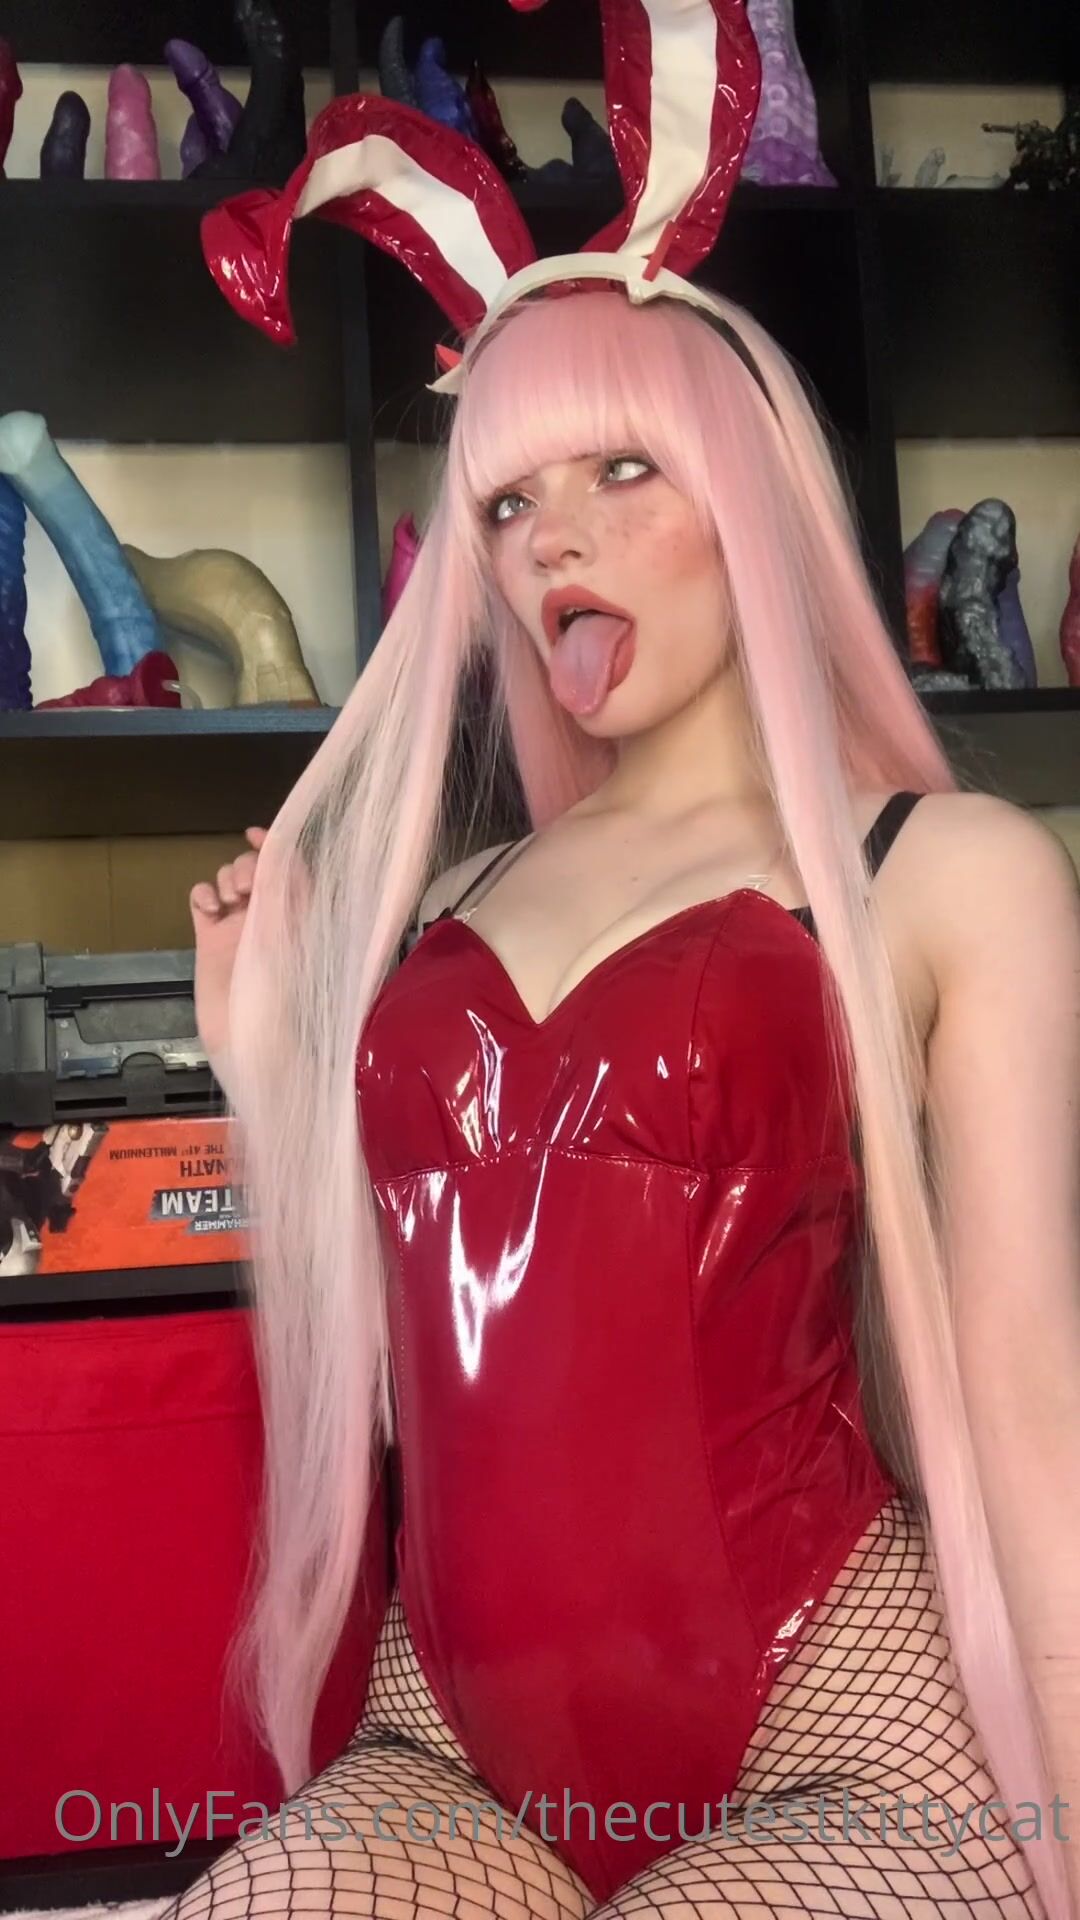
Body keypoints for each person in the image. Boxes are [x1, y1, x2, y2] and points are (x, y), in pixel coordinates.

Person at [178, 7, 1080, 1917]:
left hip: (840, 1733)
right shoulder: (448, 903)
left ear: (747, 489)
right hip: (454, 1744)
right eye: (507, 503)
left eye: (620, 475)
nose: (551, 547)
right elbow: (413, 1386)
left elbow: (1029, 1396)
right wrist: (267, 1064)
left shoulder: (948, 873)